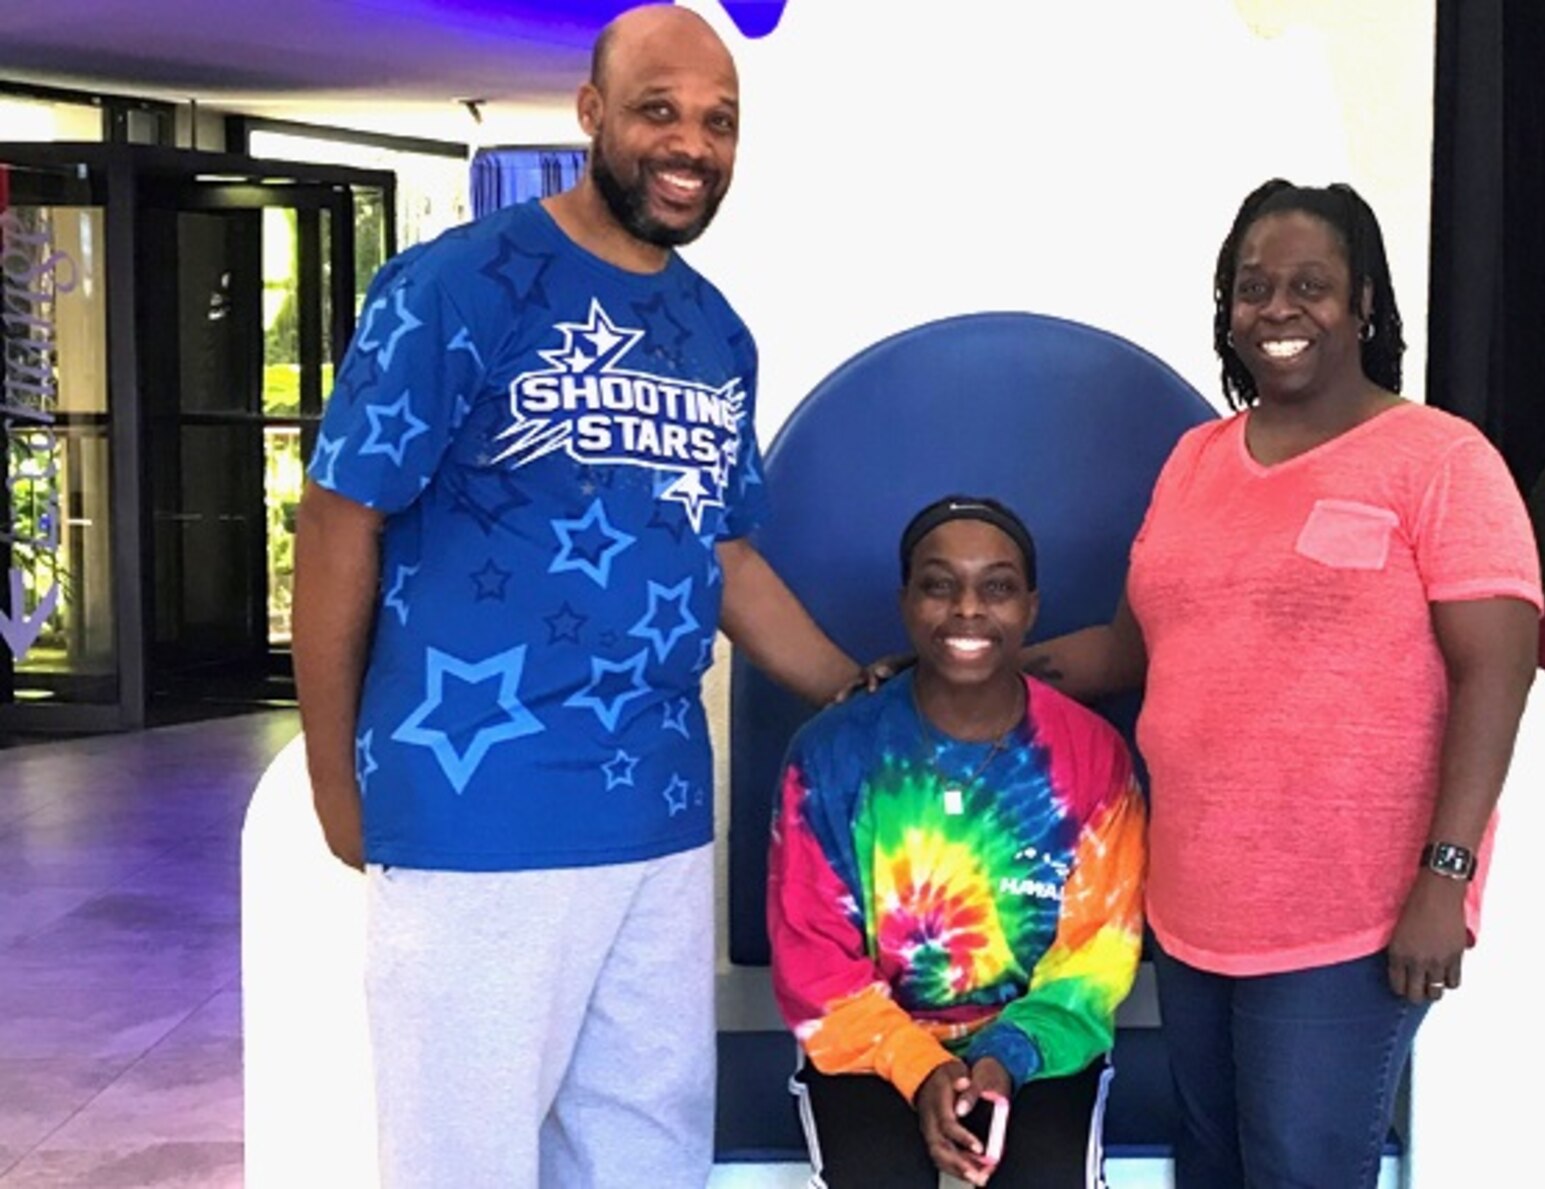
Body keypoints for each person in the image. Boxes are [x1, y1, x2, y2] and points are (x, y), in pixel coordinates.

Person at [289, 7, 865, 1186]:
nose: (690, 143)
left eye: (719, 121)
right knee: (465, 1164)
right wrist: (332, 776)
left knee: (643, 1159)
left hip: (655, 820)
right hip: (475, 814)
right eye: (659, 109)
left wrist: (856, 689)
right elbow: (340, 520)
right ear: (592, 114)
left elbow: (725, 559)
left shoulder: (715, 334)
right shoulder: (451, 288)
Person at [1025, 180, 1542, 1187]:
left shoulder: (1437, 460)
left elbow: (1497, 672)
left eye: (1310, 284)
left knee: (1299, 1171)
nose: (1277, 308)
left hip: (1347, 918)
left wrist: (1444, 876)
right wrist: (977, 662)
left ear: (1361, 306)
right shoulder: (1194, 458)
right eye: (1252, 286)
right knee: (1211, 1168)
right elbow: (1135, 648)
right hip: (1193, 905)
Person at [768, 495, 1147, 1188]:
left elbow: (1097, 954)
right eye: (939, 584)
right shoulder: (830, 756)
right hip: (871, 1041)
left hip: (1037, 1043)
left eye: (997, 586)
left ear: (1030, 607)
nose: (968, 608)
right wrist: (922, 1067)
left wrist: (1004, 1055)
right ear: (906, 601)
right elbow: (813, 958)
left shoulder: (1092, 758)